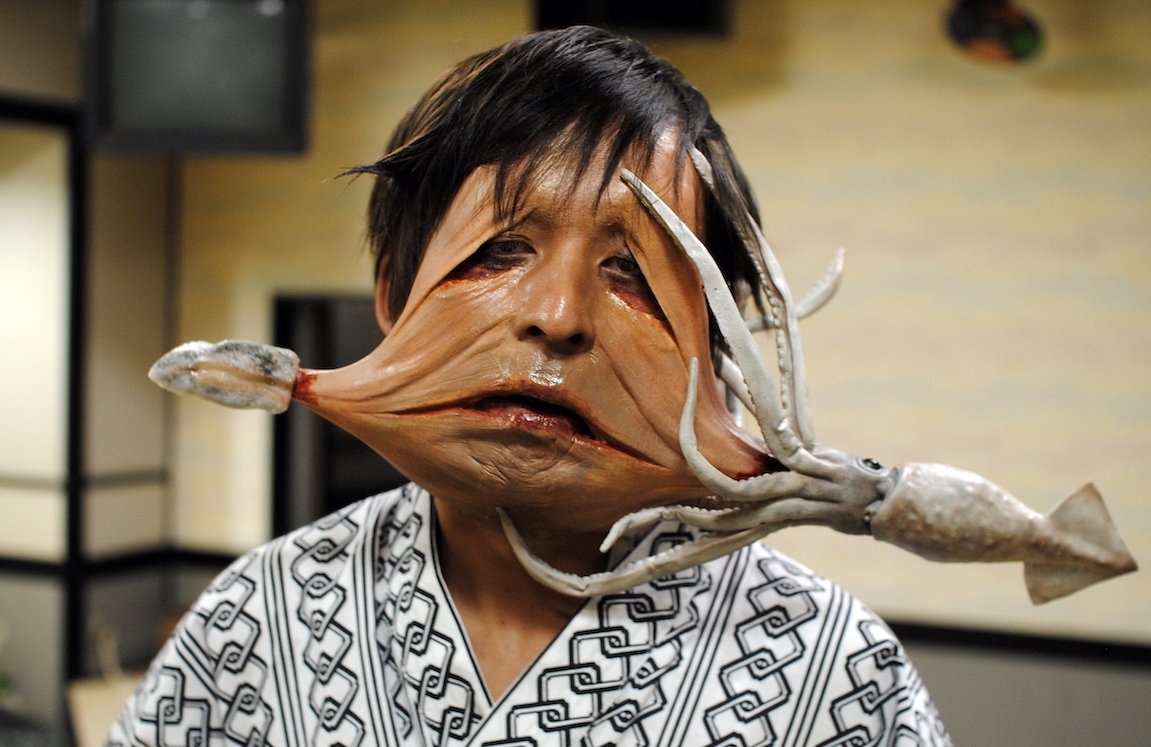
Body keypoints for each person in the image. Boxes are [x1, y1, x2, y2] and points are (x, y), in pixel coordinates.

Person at [107, 25, 951, 746]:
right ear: (394, 291)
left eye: (633, 274)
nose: (559, 314)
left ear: (716, 348)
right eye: (503, 251)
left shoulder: (834, 673)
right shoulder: (258, 616)